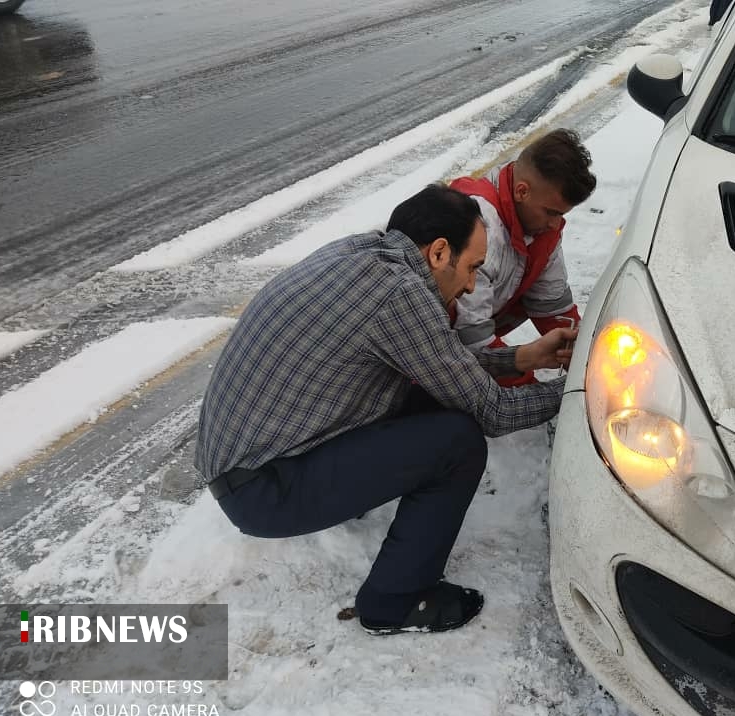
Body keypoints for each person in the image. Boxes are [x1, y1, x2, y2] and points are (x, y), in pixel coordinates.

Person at [194, 184, 576, 636]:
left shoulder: (365, 255)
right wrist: (578, 392)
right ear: (438, 253)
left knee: (433, 395)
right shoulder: (398, 293)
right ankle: (394, 600)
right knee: (457, 443)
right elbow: (491, 412)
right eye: (472, 267)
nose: (473, 283)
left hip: (252, 462)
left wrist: (521, 358)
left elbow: (438, 363)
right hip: (262, 490)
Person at [449, 128, 596, 385]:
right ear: (521, 191)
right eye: (551, 212)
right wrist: (533, 391)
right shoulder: (478, 231)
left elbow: (553, 309)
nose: (555, 224)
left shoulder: (541, 229)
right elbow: (472, 345)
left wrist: (591, 357)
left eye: (562, 214)